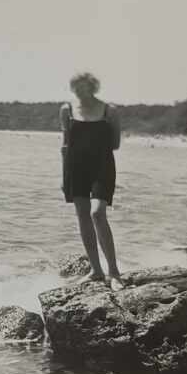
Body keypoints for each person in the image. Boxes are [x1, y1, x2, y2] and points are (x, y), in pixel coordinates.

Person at [60, 72, 125, 290]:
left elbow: (115, 143)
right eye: (76, 86)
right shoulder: (66, 110)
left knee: (97, 213)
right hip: (74, 168)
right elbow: (65, 144)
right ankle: (96, 270)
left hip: (102, 167)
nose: (80, 90)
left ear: (93, 87)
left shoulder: (109, 110)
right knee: (82, 217)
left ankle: (114, 272)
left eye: (84, 86)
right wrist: (64, 175)